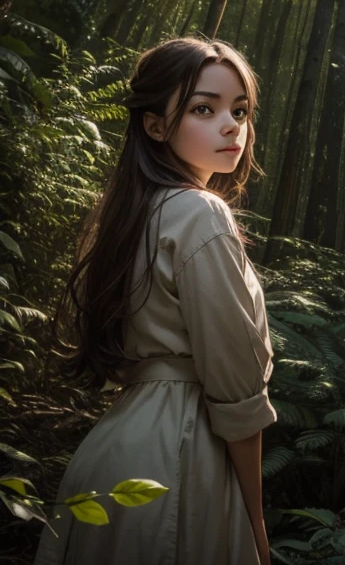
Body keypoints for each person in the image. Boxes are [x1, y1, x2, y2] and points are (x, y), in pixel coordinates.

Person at [35, 38, 277, 565]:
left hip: (109, 457)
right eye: (203, 108)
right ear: (155, 126)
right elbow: (237, 396)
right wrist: (256, 524)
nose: (232, 125)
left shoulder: (130, 215)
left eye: (240, 110)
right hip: (181, 462)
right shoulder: (200, 213)